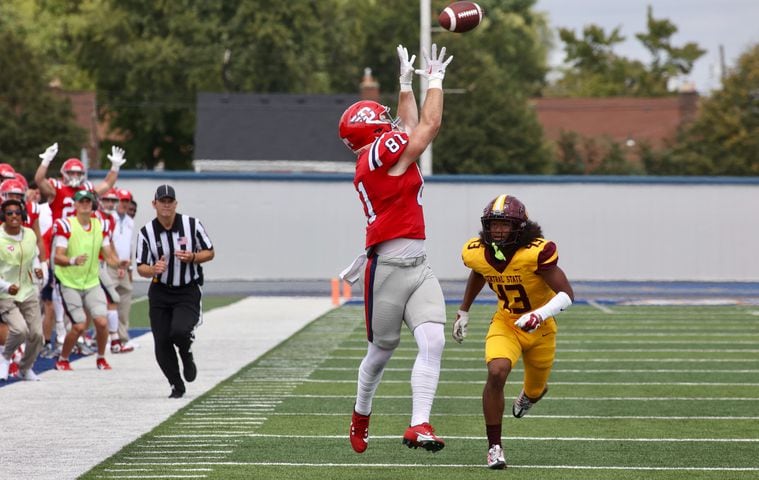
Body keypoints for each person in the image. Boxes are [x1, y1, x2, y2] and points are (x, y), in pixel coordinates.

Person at [338, 44, 453, 453]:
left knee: (433, 342)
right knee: (380, 353)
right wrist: (435, 79)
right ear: (371, 133)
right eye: (380, 120)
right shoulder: (379, 156)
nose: (389, 121)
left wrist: (406, 84)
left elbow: (405, 125)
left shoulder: (381, 151)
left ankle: (419, 424)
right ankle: (361, 412)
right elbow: (428, 126)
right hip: (386, 269)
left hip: (418, 266)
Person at [452, 194, 574, 469]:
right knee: (496, 371)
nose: (498, 230)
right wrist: (464, 310)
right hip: (506, 323)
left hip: (541, 328)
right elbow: (480, 271)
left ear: (519, 226)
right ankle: (494, 446)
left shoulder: (536, 251)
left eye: (505, 224)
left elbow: (567, 294)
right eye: (493, 224)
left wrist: (539, 314)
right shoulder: (476, 251)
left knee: (535, 388)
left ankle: (531, 395)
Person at [136, 185, 214, 399]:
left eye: (170, 201)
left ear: (176, 204)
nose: (166, 205)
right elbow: (140, 266)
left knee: (179, 331)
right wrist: (154, 269)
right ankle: (176, 384)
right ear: (154, 204)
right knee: (161, 341)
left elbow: (210, 251)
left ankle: (186, 353)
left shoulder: (192, 224)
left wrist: (193, 257)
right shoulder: (146, 232)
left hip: (187, 289)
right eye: (162, 201)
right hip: (160, 290)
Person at [53, 190, 123, 371]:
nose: (85, 204)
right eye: (81, 201)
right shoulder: (66, 225)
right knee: (79, 325)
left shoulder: (101, 225)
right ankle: (63, 359)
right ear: (75, 205)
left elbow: (108, 256)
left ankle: (100, 358)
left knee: (101, 321)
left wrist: (119, 264)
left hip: (91, 281)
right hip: (69, 281)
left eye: (88, 201)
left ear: (93, 205)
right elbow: (57, 257)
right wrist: (72, 260)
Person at [0, 197, 46, 381]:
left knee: (37, 334)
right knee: (20, 330)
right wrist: (5, 286)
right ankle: (4, 358)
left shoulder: (29, 235)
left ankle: (25, 368)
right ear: (3, 215)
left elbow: (33, 255)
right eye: (9, 213)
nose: (14, 216)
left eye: (17, 213)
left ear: (23, 215)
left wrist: (37, 269)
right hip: (5, 293)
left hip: (27, 290)